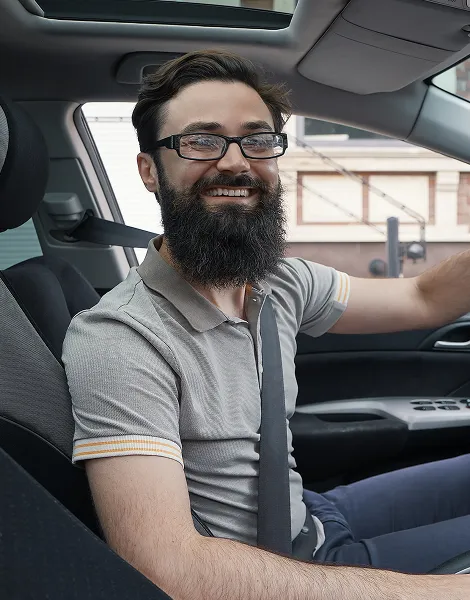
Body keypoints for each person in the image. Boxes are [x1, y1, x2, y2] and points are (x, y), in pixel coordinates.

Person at [63, 49, 470, 599]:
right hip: (273, 568)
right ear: (149, 171)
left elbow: (423, 297)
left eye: (257, 140)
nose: (236, 163)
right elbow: (167, 569)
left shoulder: (279, 282)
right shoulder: (121, 339)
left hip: (312, 515)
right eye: (201, 141)